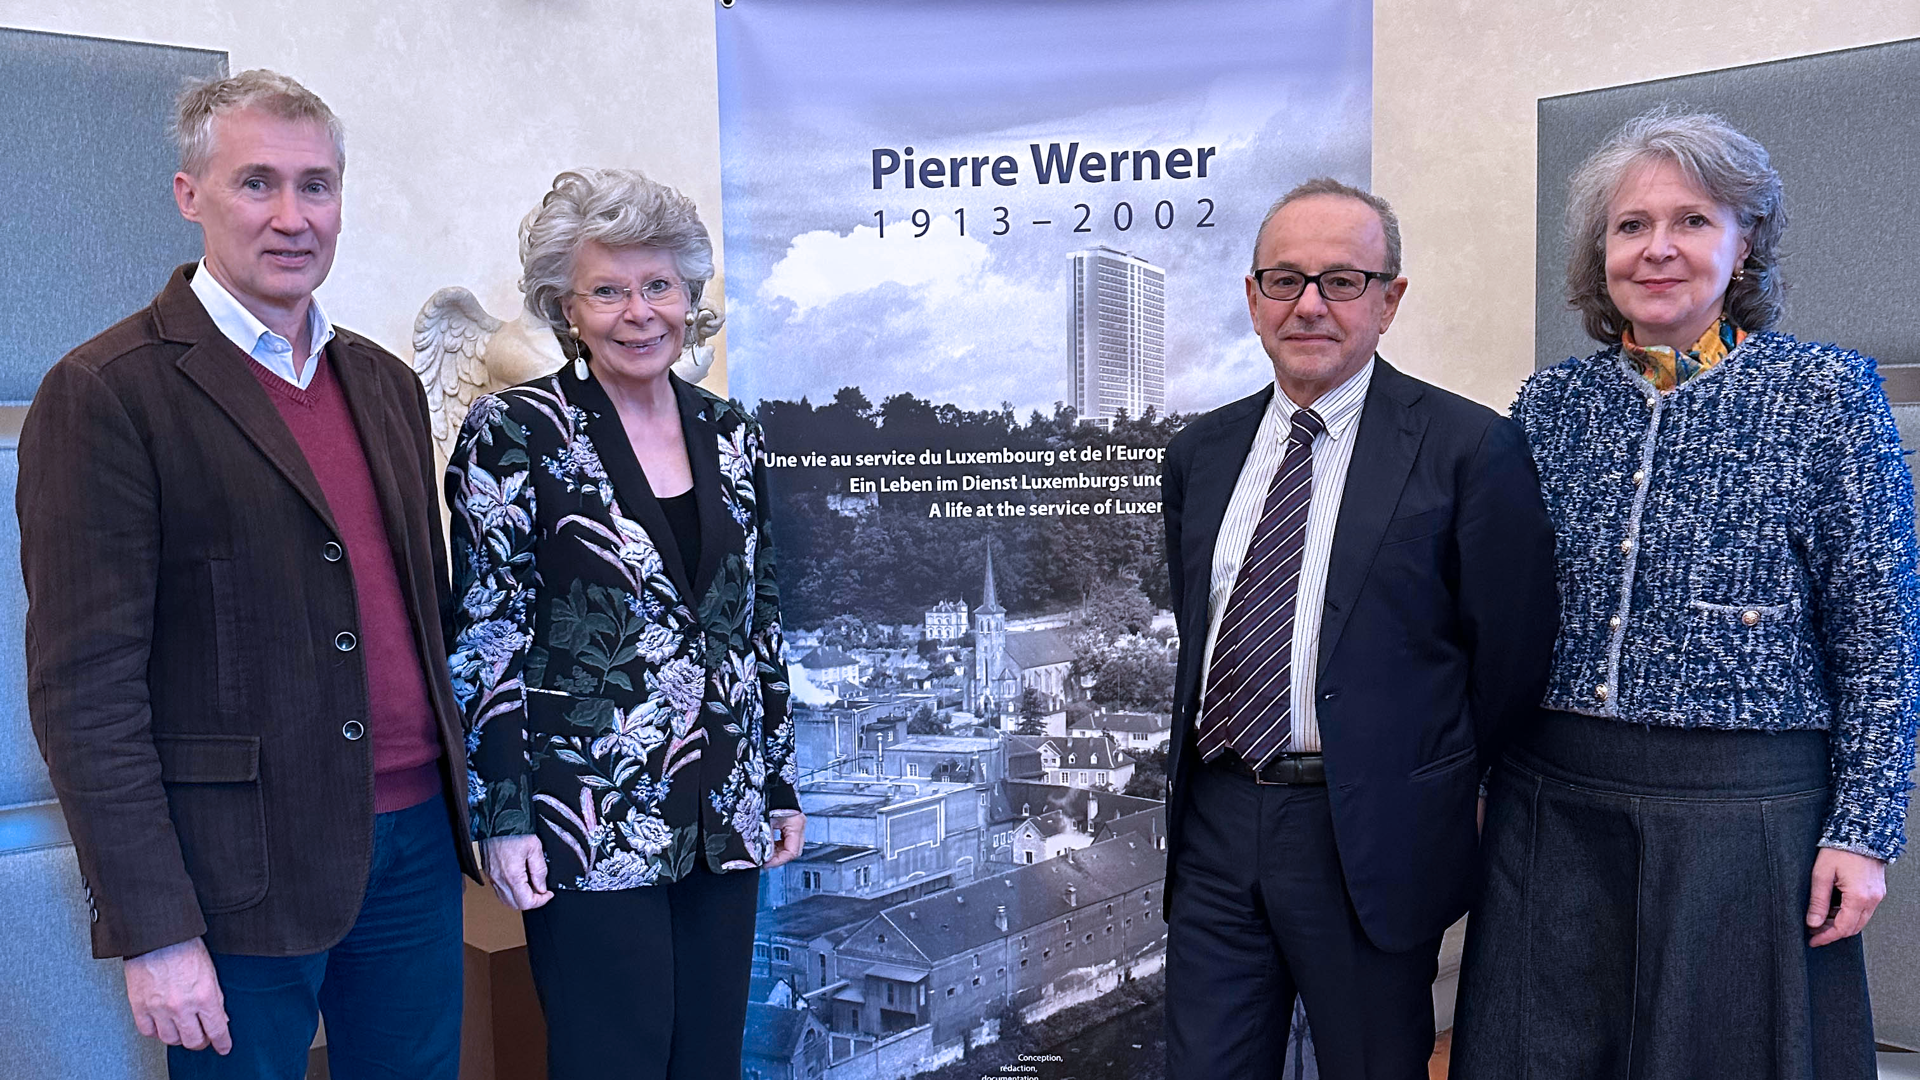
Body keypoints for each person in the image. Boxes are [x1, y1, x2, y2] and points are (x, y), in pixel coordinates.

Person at [17, 70, 476, 1078]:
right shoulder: (106, 392)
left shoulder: (387, 384)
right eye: (256, 183)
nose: (292, 217)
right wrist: (154, 929)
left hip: (414, 850)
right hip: (235, 872)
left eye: (317, 186)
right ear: (191, 195)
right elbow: (84, 692)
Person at [1449, 109, 1920, 1079]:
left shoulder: (1827, 395)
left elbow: (1882, 633)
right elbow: (1499, 622)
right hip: (1552, 811)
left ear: (1744, 245)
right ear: (1601, 254)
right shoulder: (1549, 407)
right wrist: (1484, 785)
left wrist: (1865, 831)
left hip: (1746, 823)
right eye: (1631, 225)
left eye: (1693, 220)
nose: (1657, 248)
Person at [1159, 177, 1558, 1079]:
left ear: (1390, 300)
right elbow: (1201, 627)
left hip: (1369, 834)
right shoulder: (1199, 455)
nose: (1309, 305)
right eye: (1284, 279)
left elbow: (1507, 659)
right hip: (1218, 821)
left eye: (1341, 281)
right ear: (1253, 297)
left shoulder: (1469, 449)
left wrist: (1432, 781)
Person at [446, 167, 803, 1080]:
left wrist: (778, 785)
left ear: (689, 297)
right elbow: (487, 634)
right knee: (613, 1059)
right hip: (587, 814)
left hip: (724, 812)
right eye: (607, 291)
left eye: (659, 286)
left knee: (708, 1062)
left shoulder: (733, 432)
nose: (639, 313)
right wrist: (502, 816)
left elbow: (758, 620)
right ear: (566, 307)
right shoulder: (514, 430)